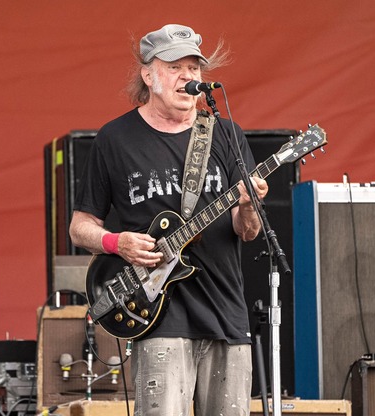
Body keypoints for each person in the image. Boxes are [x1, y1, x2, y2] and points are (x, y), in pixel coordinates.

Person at [69, 23, 268, 415]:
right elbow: (80, 226)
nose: (188, 77)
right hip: (157, 313)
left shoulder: (226, 135)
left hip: (226, 312)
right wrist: (117, 243)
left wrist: (247, 205)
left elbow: (248, 232)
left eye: (194, 68)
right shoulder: (115, 138)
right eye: (175, 67)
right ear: (149, 75)